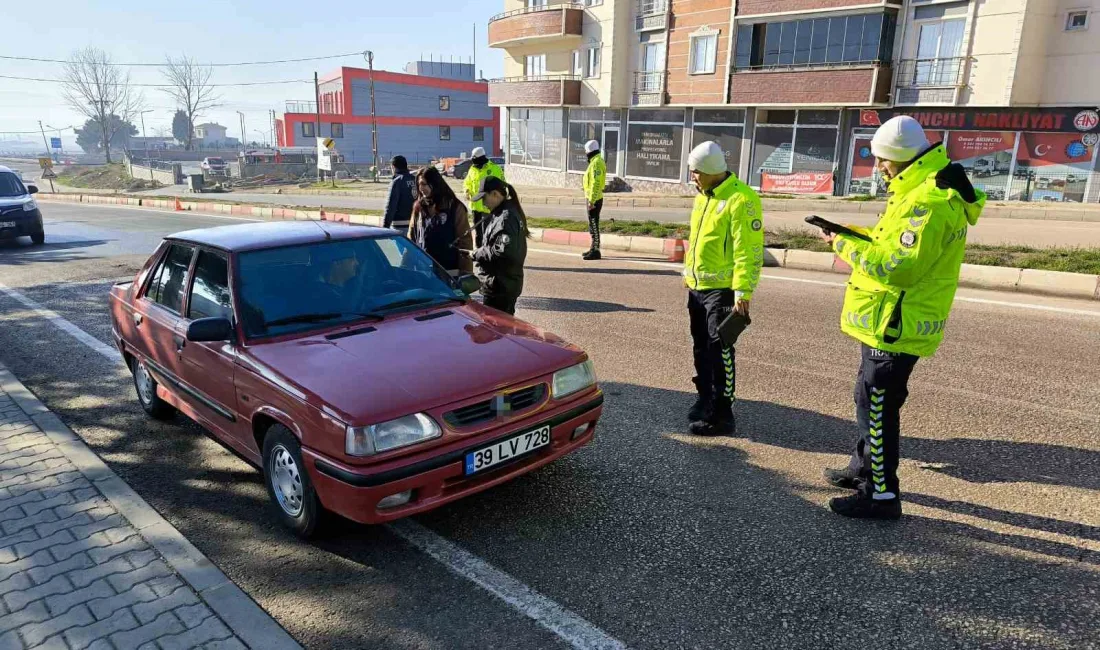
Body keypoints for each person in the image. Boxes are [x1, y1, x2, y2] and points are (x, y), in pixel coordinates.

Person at [821, 115, 984, 520]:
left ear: (901, 158)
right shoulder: (914, 190)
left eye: (882, 161)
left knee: (877, 408)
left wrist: (843, 245)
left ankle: (881, 495)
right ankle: (862, 470)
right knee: (867, 398)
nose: (878, 168)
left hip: (896, 323)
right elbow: (890, 244)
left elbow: (900, 267)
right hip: (884, 320)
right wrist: (855, 235)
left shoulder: (927, 202)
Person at [682, 141, 764, 437]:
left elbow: (749, 251)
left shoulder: (742, 200)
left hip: (724, 290)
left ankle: (722, 413)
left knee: (721, 351)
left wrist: (744, 292)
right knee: (701, 347)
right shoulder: (702, 196)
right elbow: (696, 242)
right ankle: (705, 397)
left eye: (696, 172)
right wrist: (687, 274)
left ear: (712, 171)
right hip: (697, 286)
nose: (692, 177)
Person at [461, 175, 528, 315]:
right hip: (501, 283)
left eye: (484, 198)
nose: (483, 203)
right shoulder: (504, 213)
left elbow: (500, 252)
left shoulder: (505, 218)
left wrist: (475, 254)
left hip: (501, 286)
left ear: (495, 194)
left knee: (496, 331)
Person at [408, 165, 473, 277]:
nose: (421, 188)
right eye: (419, 184)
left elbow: (465, 242)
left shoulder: (454, 208)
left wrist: (466, 274)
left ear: (435, 184)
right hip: (424, 273)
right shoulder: (419, 208)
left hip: (449, 273)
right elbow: (411, 239)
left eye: (424, 184)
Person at [463, 147, 505, 247]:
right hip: (475, 206)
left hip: (489, 207)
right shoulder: (472, 169)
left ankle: (489, 253)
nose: (474, 163)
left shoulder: (494, 169)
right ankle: (479, 253)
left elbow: (502, 185)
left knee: (489, 232)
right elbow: (466, 182)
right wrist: (466, 191)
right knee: (478, 233)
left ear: (482, 158)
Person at [581, 139, 607, 261]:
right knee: (592, 224)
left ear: (590, 151)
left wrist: (591, 200)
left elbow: (596, 183)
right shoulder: (596, 161)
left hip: (594, 199)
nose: (585, 154)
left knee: (594, 225)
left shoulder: (596, 163)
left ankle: (596, 251)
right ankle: (593, 248)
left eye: (586, 152)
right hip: (593, 198)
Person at [383, 155, 416, 232]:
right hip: (415, 223)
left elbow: (391, 206)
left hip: (399, 225)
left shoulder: (397, 182)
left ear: (393, 167)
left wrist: (385, 226)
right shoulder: (416, 179)